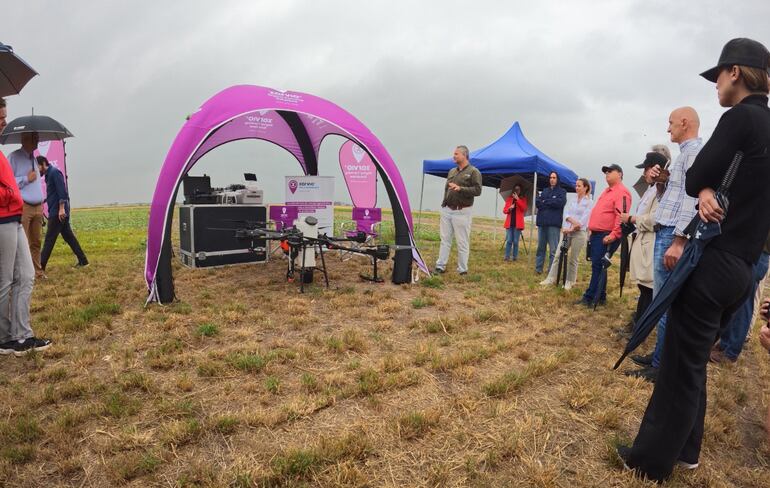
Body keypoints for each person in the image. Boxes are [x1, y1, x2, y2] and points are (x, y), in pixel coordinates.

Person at [618, 37, 770, 483]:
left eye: (718, 76)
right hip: (743, 267)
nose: (716, 85)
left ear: (735, 73)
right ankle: (685, 450)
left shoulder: (740, 117)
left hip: (715, 258)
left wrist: (703, 187)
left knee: (679, 368)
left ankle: (650, 461)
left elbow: (698, 174)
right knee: (693, 361)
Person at [627, 106, 703, 381]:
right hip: (668, 232)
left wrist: (679, 240)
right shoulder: (684, 155)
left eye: (671, 123)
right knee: (663, 302)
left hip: (672, 234)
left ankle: (661, 366)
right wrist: (662, 184)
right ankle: (658, 356)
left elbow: (692, 200)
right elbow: (675, 197)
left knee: (664, 304)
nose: (668, 128)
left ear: (684, 122)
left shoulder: (693, 154)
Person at [0, 97, 52, 356]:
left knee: (27, 275)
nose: (4, 122)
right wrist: (12, 192)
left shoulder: (25, 158)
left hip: (16, 215)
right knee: (6, 279)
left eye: (4, 117)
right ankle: (5, 338)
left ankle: (21, 335)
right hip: (4, 218)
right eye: (0, 118)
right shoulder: (11, 157)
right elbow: (8, 187)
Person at [619, 152, 667, 331]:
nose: (644, 173)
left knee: (648, 288)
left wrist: (631, 218)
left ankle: (639, 328)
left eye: (646, 169)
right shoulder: (650, 190)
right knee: (644, 287)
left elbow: (656, 219)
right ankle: (637, 323)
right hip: (643, 241)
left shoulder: (662, 191)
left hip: (652, 242)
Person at [709, 231, 770, 363]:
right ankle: (725, 344)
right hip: (751, 248)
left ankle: (731, 352)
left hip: (758, 252)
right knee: (736, 299)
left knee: (744, 304)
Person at [576, 164, 631, 307]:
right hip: (598, 234)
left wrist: (614, 235)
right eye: (605, 172)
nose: (607, 173)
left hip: (606, 234)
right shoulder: (607, 191)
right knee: (599, 265)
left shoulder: (622, 192)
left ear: (620, 174)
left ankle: (590, 297)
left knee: (598, 266)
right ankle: (600, 296)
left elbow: (621, 216)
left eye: (610, 171)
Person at [434, 145, 482, 275]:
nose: (453, 156)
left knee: (462, 242)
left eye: (456, 154)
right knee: (445, 239)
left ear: (464, 155)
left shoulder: (474, 172)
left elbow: (478, 190)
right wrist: (444, 203)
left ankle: (462, 269)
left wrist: (460, 188)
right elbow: (447, 189)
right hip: (447, 210)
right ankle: (440, 266)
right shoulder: (451, 171)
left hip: (462, 212)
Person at [38, 156, 89, 270]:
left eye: (37, 167)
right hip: (56, 211)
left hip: (58, 212)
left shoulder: (54, 172)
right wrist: (44, 201)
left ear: (43, 163)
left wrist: (61, 209)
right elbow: (53, 194)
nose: (36, 171)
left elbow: (62, 192)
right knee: (69, 237)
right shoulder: (48, 175)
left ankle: (40, 267)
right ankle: (83, 261)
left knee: (49, 239)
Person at [540, 178, 592, 289]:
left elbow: (583, 221)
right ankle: (551, 278)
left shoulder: (589, 202)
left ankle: (570, 281)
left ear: (585, 187)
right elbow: (566, 214)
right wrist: (569, 224)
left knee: (573, 259)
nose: (576, 188)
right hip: (567, 232)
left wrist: (572, 226)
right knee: (558, 255)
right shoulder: (572, 199)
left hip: (579, 233)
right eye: (576, 185)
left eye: (579, 186)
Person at [8, 132, 45, 278]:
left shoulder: (33, 159)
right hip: (24, 206)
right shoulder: (13, 157)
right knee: (22, 243)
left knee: (36, 242)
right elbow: (7, 182)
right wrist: (26, 179)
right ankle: (21, 274)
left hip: (37, 207)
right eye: (34, 137)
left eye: (37, 138)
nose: (37, 140)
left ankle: (37, 272)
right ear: (24, 139)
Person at [534, 172, 567, 274]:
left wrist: (546, 201)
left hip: (553, 224)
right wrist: (549, 201)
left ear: (557, 179)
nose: (552, 179)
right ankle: (538, 269)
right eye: (550, 177)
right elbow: (538, 202)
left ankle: (551, 271)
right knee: (541, 248)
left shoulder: (562, 192)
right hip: (542, 223)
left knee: (553, 249)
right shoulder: (545, 191)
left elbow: (560, 203)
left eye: (554, 177)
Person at [502, 184, 527, 261]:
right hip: (509, 223)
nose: (517, 191)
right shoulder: (509, 199)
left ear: (520, 190)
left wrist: (518, 199)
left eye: (518, 189)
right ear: (513, 190)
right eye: (515, 189)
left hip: (518, 224)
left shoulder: (523, 199)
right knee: (509, 240)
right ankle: (507, 257)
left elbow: (524, 209)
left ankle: (515, 257)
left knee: (516, 241)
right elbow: (504, 211)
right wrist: (509, 208)